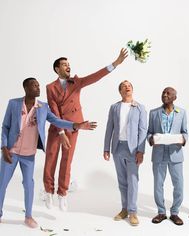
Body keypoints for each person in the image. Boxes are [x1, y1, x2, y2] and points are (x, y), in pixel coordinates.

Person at [0, 78, 96, 228]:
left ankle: (28, 216)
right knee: (2, 184)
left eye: (38, 85)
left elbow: (57, 121)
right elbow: (5, 127)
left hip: (28, 155)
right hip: (10, 152)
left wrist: (76, 125)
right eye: (34, 85)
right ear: (26, 88)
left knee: (29, 185)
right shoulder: (14, 103)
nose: (38, 87)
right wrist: (4, 147)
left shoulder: (43, 107)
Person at [43, 48, 128, 211]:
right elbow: (53, 110)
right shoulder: (50, 87)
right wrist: (61, 132)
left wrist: (115, 64)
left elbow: (96, 76)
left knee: (67, 161)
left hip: (74, 127)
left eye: (69, 64)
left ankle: (62, 194)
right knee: (51, 159)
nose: (68, 66)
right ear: (57, 69)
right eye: (64, 64)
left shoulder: (77, 82)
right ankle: (48, 191)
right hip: (57, 128)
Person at [103, 80, 147, 226]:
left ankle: (133, 211)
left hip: (133, 149)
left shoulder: (140, 108)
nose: (127, 87)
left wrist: (141, 151)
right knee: (122, 181)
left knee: (132, 180)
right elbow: (109, 127)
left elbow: (143, 131)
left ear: (132, 90)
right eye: (123, 86)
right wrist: (106, 148)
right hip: (117, 148)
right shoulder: (114, 107)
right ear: (120, 91)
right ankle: (124, 209)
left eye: (129, 85)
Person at [147, 87, 188, 226]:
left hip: (175, 154)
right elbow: (149, 133)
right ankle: (161, 212)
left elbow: (185, 132)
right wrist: (151, 139)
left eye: (168, 93)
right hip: (159, 154)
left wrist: (182, 139)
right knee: (158, 184)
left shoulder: (181, 112)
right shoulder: (153, 113)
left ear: (174, 97)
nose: (165, 95)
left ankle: (175, 212)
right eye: (163, 92)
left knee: (179, 185)